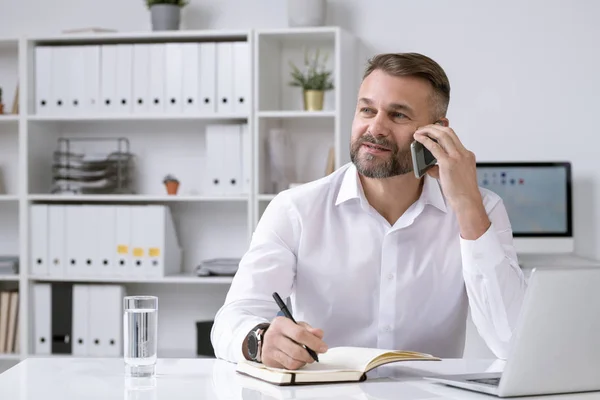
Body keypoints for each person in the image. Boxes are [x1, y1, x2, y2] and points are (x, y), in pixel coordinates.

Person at [210, 52, 528, 370]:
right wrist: (261, 340)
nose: (375, 128)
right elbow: (232, 319)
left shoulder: (481, 208)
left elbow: (511, 339)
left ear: (436, 131)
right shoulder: (296, 209)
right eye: (366, 109)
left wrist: (466, 204)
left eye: (398, 115)